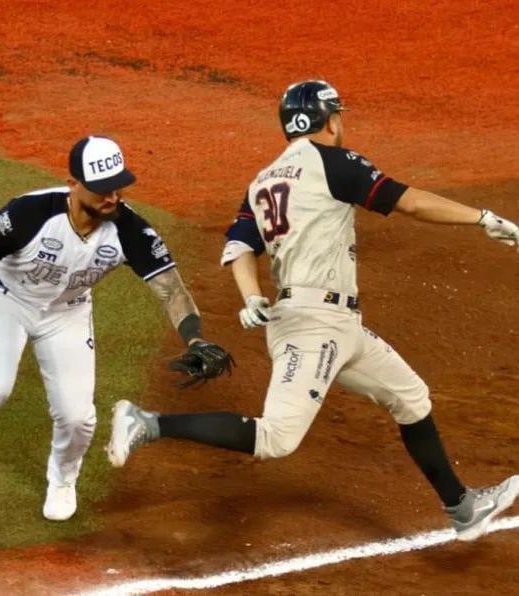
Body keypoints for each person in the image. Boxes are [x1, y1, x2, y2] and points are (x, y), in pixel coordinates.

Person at [107, 80, 519, 542]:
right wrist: (483, 219)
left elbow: (239, 245)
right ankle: (147, 423)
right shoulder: (333, 162)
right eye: (337, 114)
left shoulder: (263, 180)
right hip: (313, 326)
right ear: (327, 118)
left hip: (336, 323)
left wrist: (250, 296)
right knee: (276, 438)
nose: (341, 123)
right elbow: (411, 202)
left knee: (411, 398)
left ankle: (462, 508)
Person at [0, 135, 231, 534]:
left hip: (67, 310)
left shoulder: (129, 229)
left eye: (117, 185)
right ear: (73, 184)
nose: (112, 196)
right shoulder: (29, 214)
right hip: (5, 298)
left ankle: (63, 480)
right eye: (101, 189)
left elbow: (171, 288)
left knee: (78, 417)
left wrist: (195, 338)